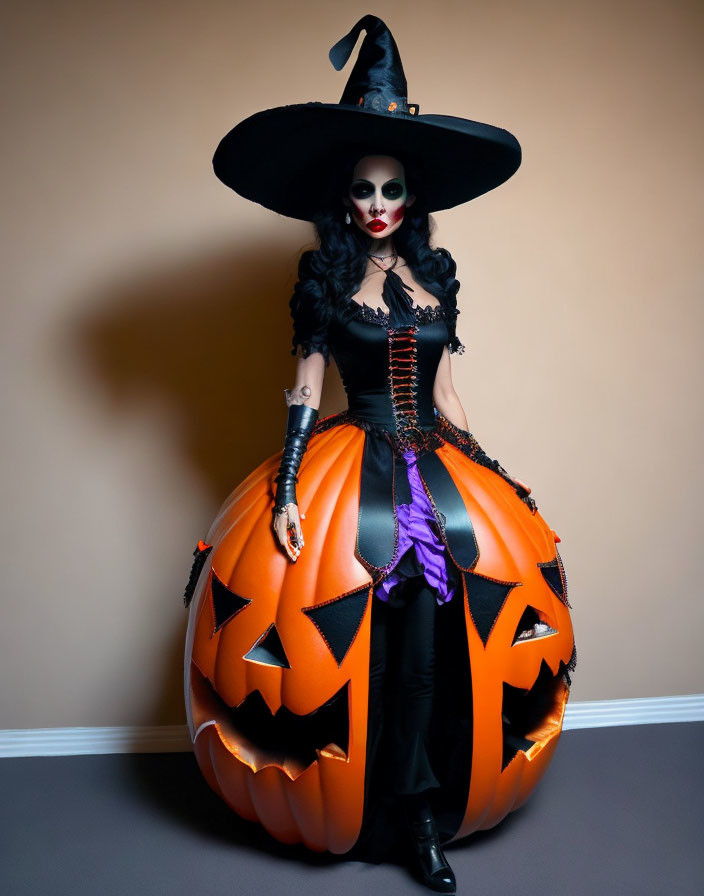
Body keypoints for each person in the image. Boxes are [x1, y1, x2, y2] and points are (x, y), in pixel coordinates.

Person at [185, 15, 576, 894]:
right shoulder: (323, 281)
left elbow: (443, 395)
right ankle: (364, 797)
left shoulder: (433, 281)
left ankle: (423, 811)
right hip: (350, 482)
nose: (377, 206)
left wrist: (504, 482)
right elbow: (303, 388)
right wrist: (286, 489)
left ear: (413, 197)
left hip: (437, 475)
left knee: (446, 649)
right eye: (363, 191)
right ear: (344, 196)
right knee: (362, 643)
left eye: (393, 190)